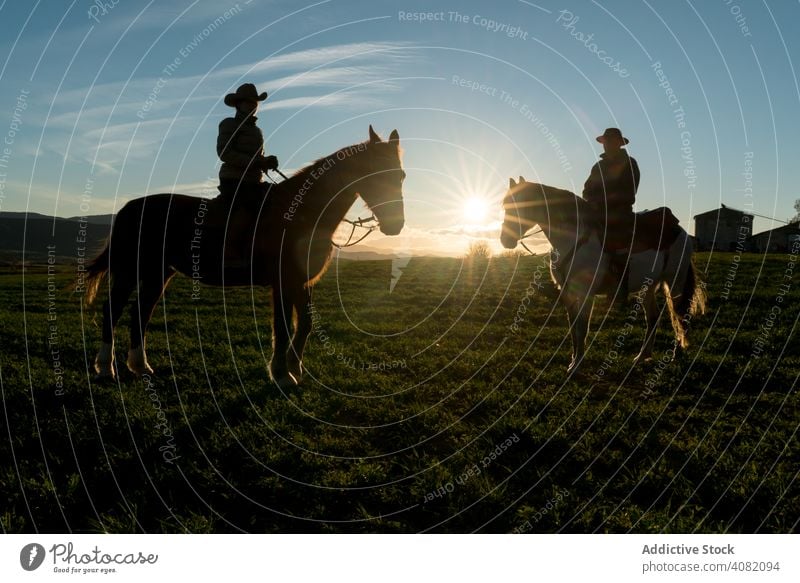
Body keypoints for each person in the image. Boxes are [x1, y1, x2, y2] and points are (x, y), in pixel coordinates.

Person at [582, 127, 640, 301]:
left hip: (619, 212)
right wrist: (590, 200)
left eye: (611, 141)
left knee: (617, 243)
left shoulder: (630, 163)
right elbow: (587, 189)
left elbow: (629, 191)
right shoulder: (598, 166)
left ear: (619, 143)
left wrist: (603, 201)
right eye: (605, 142)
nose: (607, 145)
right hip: (596, 212)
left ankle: (620, 287)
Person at [216, 83, 278, 204]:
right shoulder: (229, 124)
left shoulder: (257, 130)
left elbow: (256, 158)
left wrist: (266, 161)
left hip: (254, 180)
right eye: (248, 102)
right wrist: (257, 162)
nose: (253, 106)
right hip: (234, 179)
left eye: (255, 103)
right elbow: (225, 153)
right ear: (239, 104)